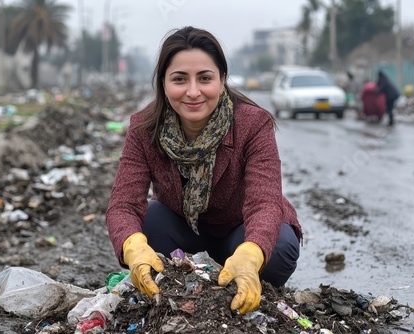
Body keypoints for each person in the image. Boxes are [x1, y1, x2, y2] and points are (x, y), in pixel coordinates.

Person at [105, 26, 302, 315]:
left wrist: (251, 254)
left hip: (239, 230)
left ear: (222, 80)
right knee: (144, 225)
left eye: (205, 78)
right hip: (182, 232)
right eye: (180, 79)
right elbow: (123, 204)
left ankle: (243, 273)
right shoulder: (144, 128)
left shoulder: (253, 124)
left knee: (279, 249)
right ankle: (176, 280)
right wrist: (133, 248)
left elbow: (265, 201)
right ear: (163, 83)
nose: (193, 91)